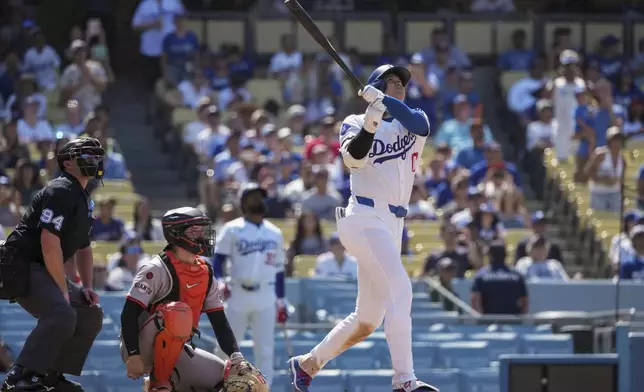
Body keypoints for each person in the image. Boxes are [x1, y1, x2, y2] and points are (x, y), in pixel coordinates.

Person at [288, 64, 437, 392]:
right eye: (391, 81)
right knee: (401, 289)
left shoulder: (412, 120)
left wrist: (384, 100)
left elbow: (418, 123)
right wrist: (371, 120)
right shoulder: (354, 123)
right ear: (373, 87)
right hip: (364, 217)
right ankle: (404, 381)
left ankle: (308, 363)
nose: (399, 86)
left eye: (402, 83)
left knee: (368, 317)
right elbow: (353, 159)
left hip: (394, 223)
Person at [118, 206, 264, 392]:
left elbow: (219, 320)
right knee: (176, 312)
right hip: (141, 346)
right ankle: (159, 383)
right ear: (175, 233)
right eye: (194, 230)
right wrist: (133, 355)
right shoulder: (156, 268)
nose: (202, 235)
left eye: (202, 229)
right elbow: (129, 314)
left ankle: (167, 383)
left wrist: (237, 357)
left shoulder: (206, 272)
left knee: (239, 382)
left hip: (177, 349)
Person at [0, 137, 105, 392]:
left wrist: (87, 286)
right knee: (62, 313)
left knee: (90, 313)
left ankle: (51, 375)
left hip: (41, 268)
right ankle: (19, 376)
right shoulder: (61, 189)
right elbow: (49, 242)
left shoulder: (84, 198)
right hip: (19, 265)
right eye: (86, 156)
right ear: (68, 163)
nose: (94, 161)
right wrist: (62, 289)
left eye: (96, 156)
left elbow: (83, 247)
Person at [211, 183, 287, 387]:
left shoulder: (274, 232)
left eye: (260, 198)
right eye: (253, 197)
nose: (258, 202)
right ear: (243, 202)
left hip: (266, 295)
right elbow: (217, 260)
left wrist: (281, 300)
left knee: (264, 350)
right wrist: (218, 281)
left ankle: (264, 389)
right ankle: (217, 386)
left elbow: (279, 269)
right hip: (237, 293)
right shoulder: (232, 228)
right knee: (225, 348)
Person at [471, 241, 529, 315]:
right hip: (513, 321)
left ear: (490, 256)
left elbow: (475, 300)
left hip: (489, 321)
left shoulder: (481, 275)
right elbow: (525, 301)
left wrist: (481, 320)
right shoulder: (517, 275)